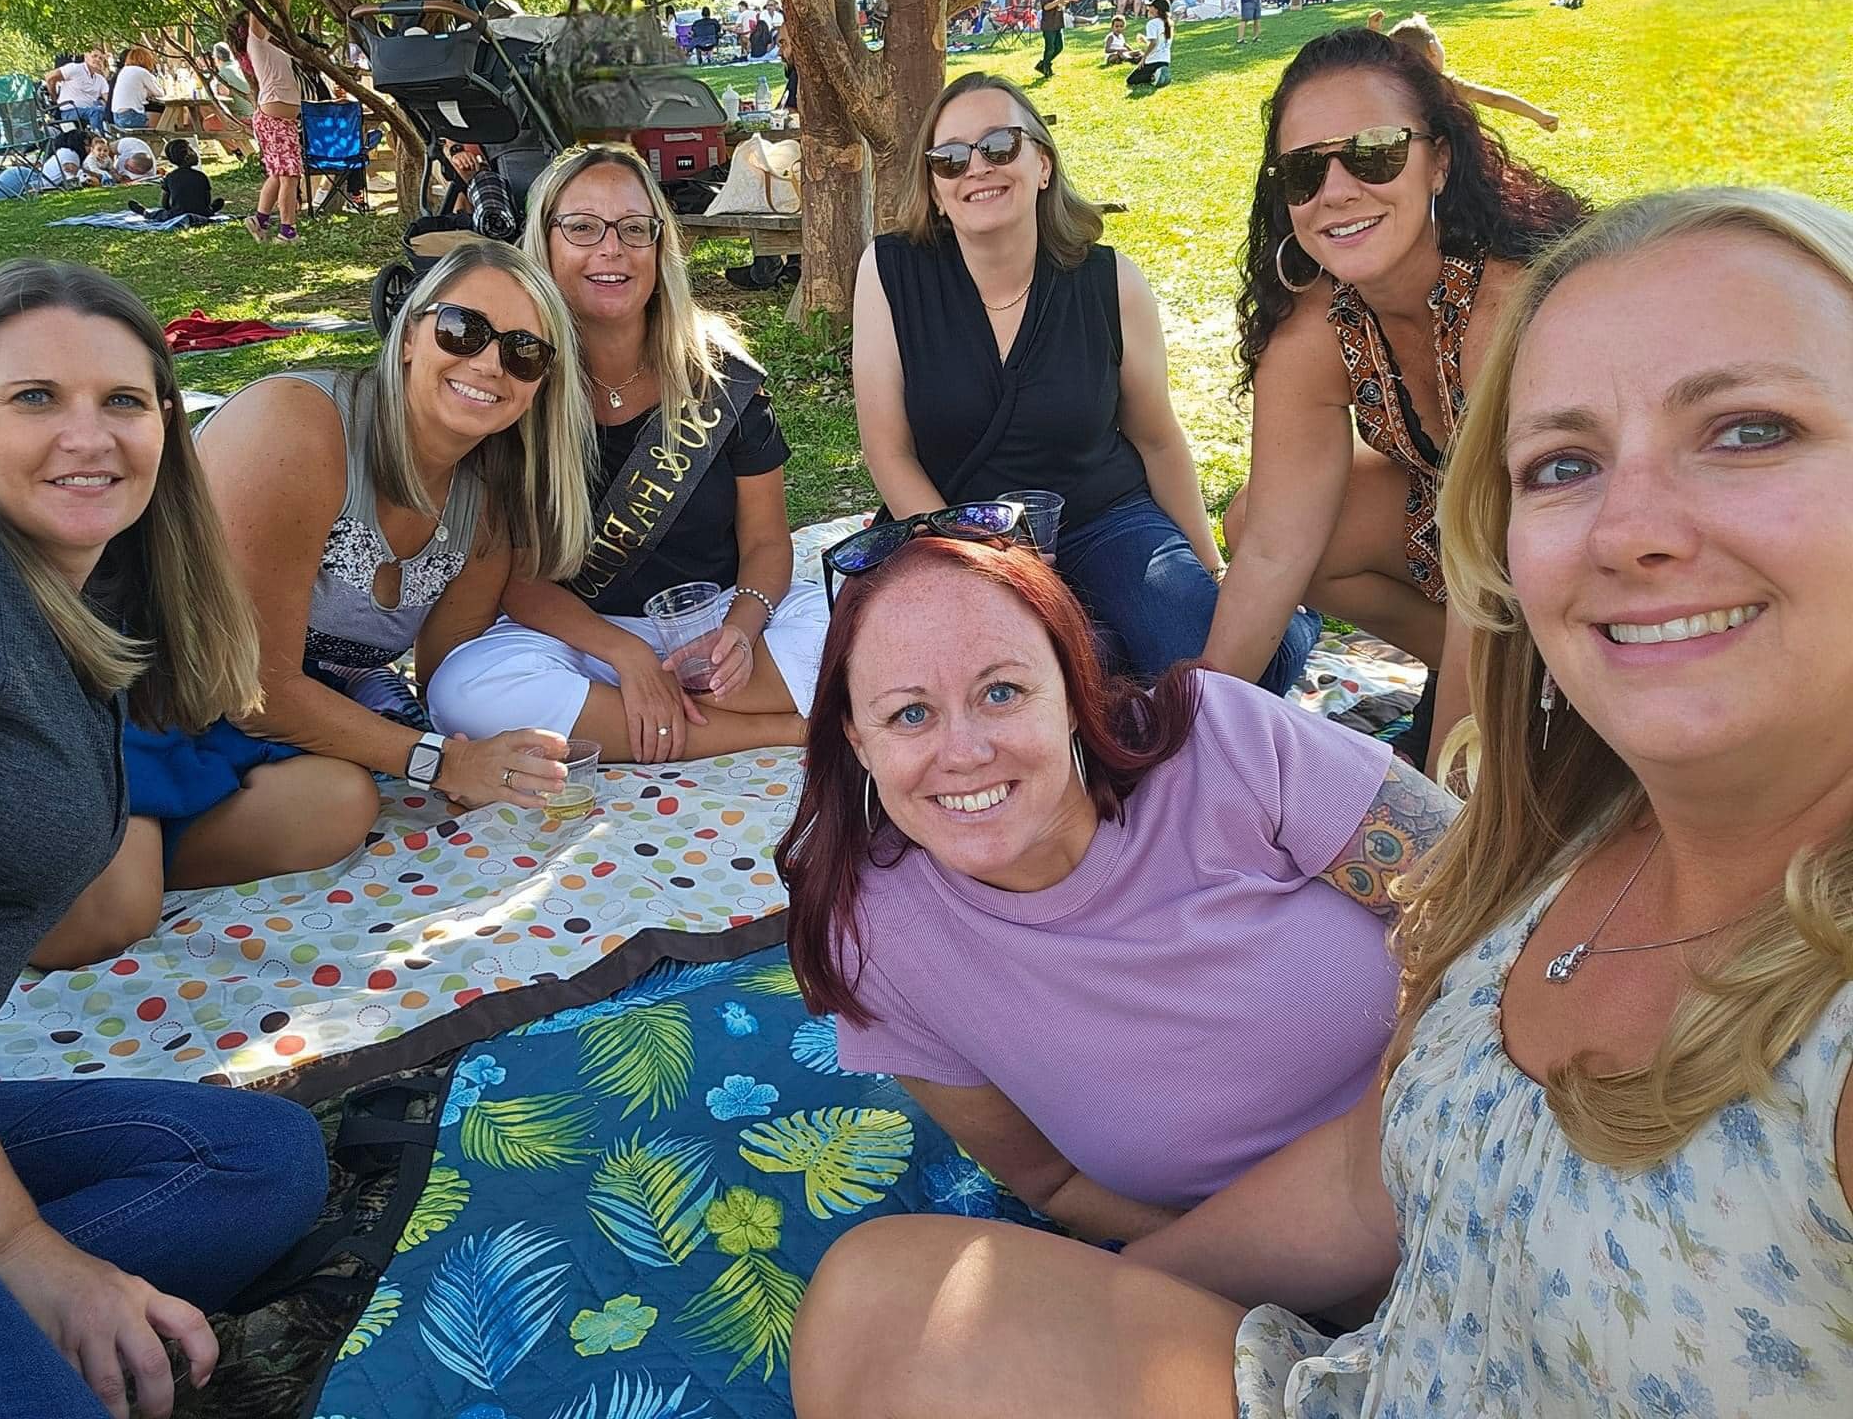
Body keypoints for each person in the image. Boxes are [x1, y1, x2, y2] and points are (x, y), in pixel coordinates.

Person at [789, 182, 1853, 1419]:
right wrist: (1110, 1303)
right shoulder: (1538, 869)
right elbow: (1371, 1170)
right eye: (1561, 464)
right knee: (885, 1301)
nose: (1631, 529)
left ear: (1079, 697)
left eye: (1747, 430)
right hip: (1360, 1367)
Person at [0, 258, 328, 1417]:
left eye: (125, 401)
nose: (87, 436)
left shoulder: (72, 591)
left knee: (257, 1164)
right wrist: (20, 1247)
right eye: (35, 397)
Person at [778, 525, 1457, 1252]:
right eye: (909, 714)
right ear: (857, 740)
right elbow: (1054, 1185)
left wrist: (1394, 1157)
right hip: (1283, 1278)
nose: (966, 753)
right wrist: (1256, 1276)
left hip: (1489, 1133)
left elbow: (1501, 908)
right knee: (872, 1279)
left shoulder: (1221, 737)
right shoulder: (877, 937)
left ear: (1073, 692)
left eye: (1001, 692)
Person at [32, 241, 596, 967]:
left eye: (525, 352)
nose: (489, 363)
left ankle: (115, 851)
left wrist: (486, 747)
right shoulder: (301, 424)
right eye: (463, 330)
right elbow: (250, 683)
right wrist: (441, 762)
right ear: (409, 337)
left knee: (343, 808)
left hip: (251, 729)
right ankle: (69, 853)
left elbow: (448, 666)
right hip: (131, 698)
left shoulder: (487, 503)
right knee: (109, 920)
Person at [854, 71, 1318, 693]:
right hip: (959, 528)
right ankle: (1096, 649)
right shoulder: (889, 272)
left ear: (1042, 164)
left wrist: (1212, 575)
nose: (976, 168)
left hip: (1106, 518)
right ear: (935, 191)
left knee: (1215, 666)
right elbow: (889, 450)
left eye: (999, 146)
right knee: (1038, 677)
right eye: (950, 158)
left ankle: (1296, 621)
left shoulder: (1110, 281)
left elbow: (1156, 439)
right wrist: (972, 564)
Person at [1204, 29, 1585, 762]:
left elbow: (1489, 565)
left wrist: (1448, 804)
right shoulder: (1318, 316)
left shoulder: (1509, 303)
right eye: (1305, 172)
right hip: (1471, 552)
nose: (1338, 191)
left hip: (1593, 545)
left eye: (1373, 153)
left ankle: (1539, 702)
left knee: (1463, 814)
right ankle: (1512, 688)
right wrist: (1196, 727)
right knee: (1256, 518)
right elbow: (1277, 549)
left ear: (1438, 161)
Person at [427, 145, 826, 762]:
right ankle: (778, 728)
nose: (610, 250)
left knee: (864, 627)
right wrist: (629, 656)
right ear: (546, 245)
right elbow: (521, 578)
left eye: (634, 229)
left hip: (719, 618)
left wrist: (741, 635)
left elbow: (770, 543)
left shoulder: (721, 380)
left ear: (659, 247)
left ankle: (644, 715)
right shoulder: (517, 384)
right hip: (585, 639)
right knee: (466, 690)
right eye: (582, 228)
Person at [1369, 9, 1561, 130]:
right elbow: (1494, 98)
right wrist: (1539, 115)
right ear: (1433, 50)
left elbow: (1371, 63)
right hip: (1449, 150)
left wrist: (1373, 33)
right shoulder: (1445, 86)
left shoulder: (1393, 81)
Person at [226, 13, 304, 245]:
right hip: (274, 119)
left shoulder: (270, 44)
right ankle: (287, 232)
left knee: (279, 174)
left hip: (279, 119)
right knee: (290, 176)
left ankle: (260, 220)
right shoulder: (256, 42)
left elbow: (282, 13)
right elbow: (256, 12)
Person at [45, 50, 110, 133]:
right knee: (96, 111)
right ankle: (97, 138)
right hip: (70, 111)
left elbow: (108, 100)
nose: (98, 59)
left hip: (90, 110)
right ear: (86, 56)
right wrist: (54, 98)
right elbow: (49, 77)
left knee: (104, 110)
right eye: (94, 56)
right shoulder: (75, 68)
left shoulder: (100, 79)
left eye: (101, 58)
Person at [1033, 0, 1078, 78]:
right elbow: (1046, 7)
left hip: (1057, 22)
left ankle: (1043, 64)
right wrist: (1059, 1)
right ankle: (1046, 69)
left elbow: (1058, 4)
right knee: (1050, 48)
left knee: (1059, 47)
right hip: (1049, 24)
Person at [109, 47, 164, 131]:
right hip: (130, 117)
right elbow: (160, 93)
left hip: (117, 117)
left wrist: (146, 91)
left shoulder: (124, 71)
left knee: (154, 114)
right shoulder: (142, 72)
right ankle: (158, 142)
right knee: (163, 119)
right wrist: (148, 91)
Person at [1127, 0, 1173, 89]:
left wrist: (1144, 58)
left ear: (1156, 9)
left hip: (1153, 60)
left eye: (1151, 6)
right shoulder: (1168, 23)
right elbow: (1160, 42)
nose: (1148, 8)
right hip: (1165, 60)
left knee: (1131, 80)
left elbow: (1154, 43)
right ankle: (1159, 73)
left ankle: (1155, 76)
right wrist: (1145, 39)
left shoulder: (1152, 23)